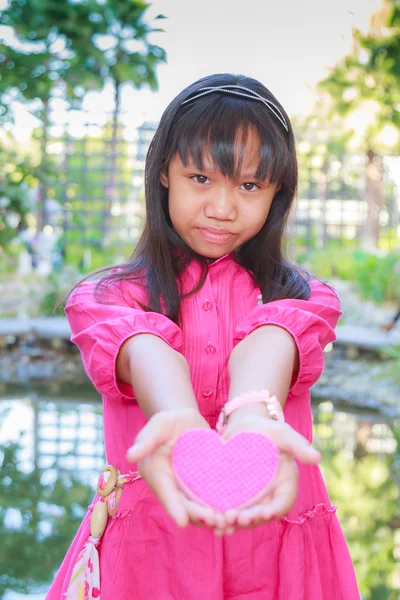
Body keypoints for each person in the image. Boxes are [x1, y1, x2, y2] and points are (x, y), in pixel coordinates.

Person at [46, 73, 359, 599]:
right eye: (200, 178)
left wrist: (253, 419)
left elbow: (273, 339)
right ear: (164, 172)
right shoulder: (104, 298)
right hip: (150, 557)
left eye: (249, 185)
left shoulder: (304, 297)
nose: (222, 207)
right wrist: (179, 418)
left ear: (278, 192)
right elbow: (143, 348)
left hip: (275, 551)